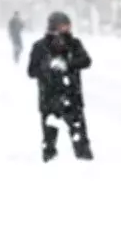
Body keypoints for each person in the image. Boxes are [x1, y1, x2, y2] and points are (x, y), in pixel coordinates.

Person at [27, 11, 93, 162]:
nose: (67, 29)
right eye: (63, 26)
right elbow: (31, 71)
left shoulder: (74, 44)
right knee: (49, 140)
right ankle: (49, 167)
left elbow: (86, 61)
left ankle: (87, 167)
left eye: (68, 26)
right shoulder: (40, 47)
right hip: (49, 99)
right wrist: (48, 67)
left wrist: (67, 64)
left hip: (72, 97)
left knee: (80, 138)